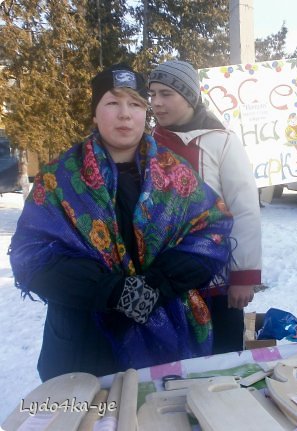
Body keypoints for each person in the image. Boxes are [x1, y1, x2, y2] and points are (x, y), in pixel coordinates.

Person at [9, 64, 233, 381]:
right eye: (113, 103)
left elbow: (212, 229)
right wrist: (113, 292)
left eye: (136, 104)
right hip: (86, 343)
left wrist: (158, 283)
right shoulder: (59, 179)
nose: (125, 114)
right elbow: (30, 255)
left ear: (146, 113)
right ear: (94, 114)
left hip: (168, 334)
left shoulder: (175, 175)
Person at [148, 60, 262, 354]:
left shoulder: (221, 142)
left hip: (216, 284)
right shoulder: (146, 144)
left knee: (221, 364)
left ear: (188, 96)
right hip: (161, 283)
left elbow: (245, 208)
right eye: (152, 94)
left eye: (166, 94)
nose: (156, 103)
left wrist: (243, 276)